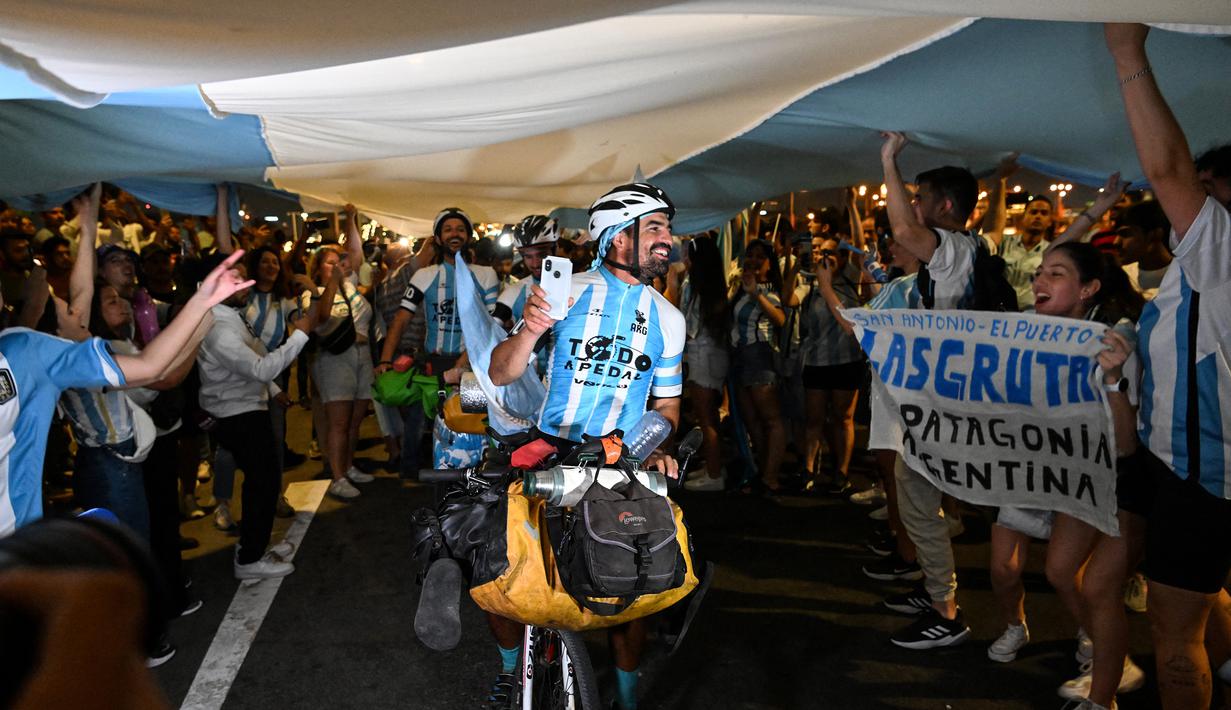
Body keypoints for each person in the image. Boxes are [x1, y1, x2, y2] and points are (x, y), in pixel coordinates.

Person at [489, 182, 684, 710]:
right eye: (656, 228)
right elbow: (501, 373)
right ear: (620, 239)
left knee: (637, 581)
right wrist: (529, 332)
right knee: (492, 561)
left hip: (623, 460)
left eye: (667, 227)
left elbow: (667, 411)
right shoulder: (564, 291)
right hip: (549, 449)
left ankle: (625, 691)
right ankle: (511, 670)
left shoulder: (669, 318)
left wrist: (653, 445)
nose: (668, 238)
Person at [1104, 22, 1231, 710]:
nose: (1188, 205)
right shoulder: (1202, 270)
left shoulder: (1221, 248)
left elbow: (1166, 167)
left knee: (1172, 628)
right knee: (1204, 600)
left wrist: (1125, 52)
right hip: (1189, 462)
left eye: (1208, 190)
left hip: (1202, 472)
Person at [0, 248, 253, 537]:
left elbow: (152, 367)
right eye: (67, 307)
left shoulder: (26, 352)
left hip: (15, 547)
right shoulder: (40, 348)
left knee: (132, 550)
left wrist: (203, 301)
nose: (74, 308)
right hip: (105, 465)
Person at [875, 130, 979, 650]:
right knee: (917, 493)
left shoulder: (954, 250)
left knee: (916, 496)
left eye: (918, 197)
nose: (911, 207)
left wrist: (889, 160)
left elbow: (902, 228)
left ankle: (946, 607)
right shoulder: (967, 253)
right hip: (940, 398)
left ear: (943, 205)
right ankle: (937, 589)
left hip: (942, 402)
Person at [197, 256, 312, 578]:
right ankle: (249, 559)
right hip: (236, 413)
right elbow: (261, 366)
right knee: (261, 482)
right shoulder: (218, 327)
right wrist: (299, 336)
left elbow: (257, 356)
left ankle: (255, 546)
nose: (247, 285)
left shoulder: (231, 315)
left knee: (264, 480)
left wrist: (274, 390)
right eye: (238, 280)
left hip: (249, 407)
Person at [377, 208, 499, 476]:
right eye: (448, 229)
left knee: (470, 425)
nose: (454, 234)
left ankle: (472, 486)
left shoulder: (486, 274)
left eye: (460, 229)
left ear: (469, 236)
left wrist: (463, 362)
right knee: (428, 422)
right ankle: (420, 481)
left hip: (472, 368)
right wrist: (385, 359)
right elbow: (400, 320)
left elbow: (491, 325)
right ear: (438, 238)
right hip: (434, 362)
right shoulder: (424, 275)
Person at [301, 238, 374, 501]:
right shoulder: (313, 292)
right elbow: (319, 318)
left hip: (362, 355)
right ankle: (337, 477)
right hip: (334, 359)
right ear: (318, 268)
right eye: (329, 263)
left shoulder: (350, 286)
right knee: (339, 421)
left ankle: (348, 465)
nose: (336, 266)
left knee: (355, 419)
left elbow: (355, 251)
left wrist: (351, 215)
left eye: (338, 262)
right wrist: (332, 282)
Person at [727, 238, 787, 493]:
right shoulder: (741, 289)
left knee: (771, 419)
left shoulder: (768, 292)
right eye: (750, 255)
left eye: (759, 257)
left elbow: (780, 320)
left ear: (769, 264)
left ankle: (771, 477)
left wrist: (756, 294)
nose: (752, 260)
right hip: (741, 358)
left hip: (759, 357)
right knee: (752, 420)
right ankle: (763, 471)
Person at [672, 235, 729, 492]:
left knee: (706, 417)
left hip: (701, 356)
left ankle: (715, 474)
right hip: (712, 354)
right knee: (709, 416)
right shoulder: (714, 284)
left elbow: (687, 326)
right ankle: (713, 467)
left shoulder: (694, 286)